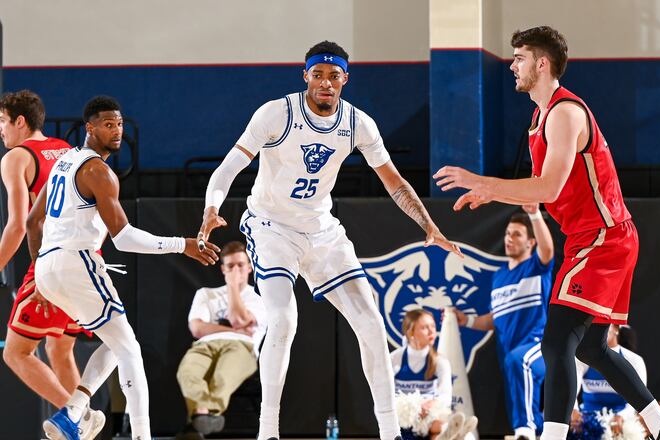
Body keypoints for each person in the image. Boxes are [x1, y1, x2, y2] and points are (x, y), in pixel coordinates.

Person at [433, 26, 660, 440]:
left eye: (519, 58)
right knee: (590, 347)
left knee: (555, 343)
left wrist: (483, 182)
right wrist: (493, 194)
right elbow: (542, 190)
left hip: (604, 236)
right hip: (591, 238)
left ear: (542, 63)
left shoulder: (565, 113)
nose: (512, 66)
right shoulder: (540, 118)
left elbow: (549, 188)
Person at [197, 40, 460, 440]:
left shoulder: (358, 123)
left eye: (333, 75)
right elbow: (228, 167)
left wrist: (429, 225)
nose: (325, 82)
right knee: (284, 319)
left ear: (345, 80)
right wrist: (211, 207)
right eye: (317, 74)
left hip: (322, 231)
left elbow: (395, 183)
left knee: (372, 323)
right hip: (272, 227)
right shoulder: (276, 113)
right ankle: (268, 431)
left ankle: (390, 432)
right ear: (305, 76)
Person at [26, 95, 219, 440]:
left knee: (118, 342)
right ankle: (140, 435)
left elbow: (33, 222)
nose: (116, 131)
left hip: (47, 267)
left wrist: (40, 273)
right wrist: (183, 244)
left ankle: (73, 412)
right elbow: (125, 238)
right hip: (75, 261)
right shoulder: (98, 172)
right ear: (89, 128)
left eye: (119, 124)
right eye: (107, 124)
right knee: (129, 350)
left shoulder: (63, 162)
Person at [0, 89, 106, 438]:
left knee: (16, 353)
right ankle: (83, 422)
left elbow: (19, 225)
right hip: (89, 257)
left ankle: (77, 418)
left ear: (20, 121)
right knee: (59, 348)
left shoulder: (16, 157)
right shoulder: (67, 149)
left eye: (2, 121)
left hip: (53, 260)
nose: (1, 130)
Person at [451, 204, 553, 440]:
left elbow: (547, 249)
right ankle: (532, 431)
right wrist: (466, 320)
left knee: (519, 363)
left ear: (531, 242)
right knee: (521, 401)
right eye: (507, 233)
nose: (509, 238)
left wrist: (534, 214)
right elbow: (494, 319)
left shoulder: (536, 266)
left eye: (517, 234)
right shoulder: (499, 276)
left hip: (538, 346)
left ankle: (525, 429)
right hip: (508, 356)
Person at [176, 240, 266, 438]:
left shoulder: (259, 298)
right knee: (187, 372)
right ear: (223, 269)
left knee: (222, 377)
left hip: (241, 347)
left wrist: (233, 286)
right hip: (204, 346)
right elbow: (197, 328)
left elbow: (238, 319)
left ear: (250, 267)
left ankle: (199, 418)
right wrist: (236, 329)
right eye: (230, 266)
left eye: (240, 265)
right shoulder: (205, 294)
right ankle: (205, 417)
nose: (236, 270)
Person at [391, 309, 475, 440]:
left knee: (441, 424)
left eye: (433, 326)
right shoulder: (395, 359)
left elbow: (445, 396)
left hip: (429, 419)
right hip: (402, 422)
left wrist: (430, 404)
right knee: (413, 416)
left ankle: (448, 433)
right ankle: (449, 432)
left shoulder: (440, 361)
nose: (432, 332)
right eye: (425, 327)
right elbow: (383, 395)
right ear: (410, 332)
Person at [571, 325, 647, 434]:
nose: (598, 331)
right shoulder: (581, 359)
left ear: (616, 329)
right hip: (588, 420)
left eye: (604, 326)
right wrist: (574, 410)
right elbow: (571, 388)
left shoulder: (635, 360)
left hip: (621, 422)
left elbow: (640, 398)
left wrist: (622, 416)